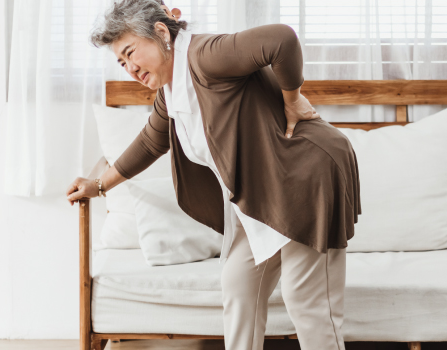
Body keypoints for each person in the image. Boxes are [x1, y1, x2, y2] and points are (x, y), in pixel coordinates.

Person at [66, 0, 361, 349]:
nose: (130, 67)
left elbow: (281, 40)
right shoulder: (171, 91)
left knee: (305, 298)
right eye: (121, 61)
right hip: (264, 194)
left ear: (161, 32)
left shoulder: (205, 55)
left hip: (307, 178)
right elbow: (150, 143)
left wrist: (292, 99)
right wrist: (98, 185)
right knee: (238, 284)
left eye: (131, 52)